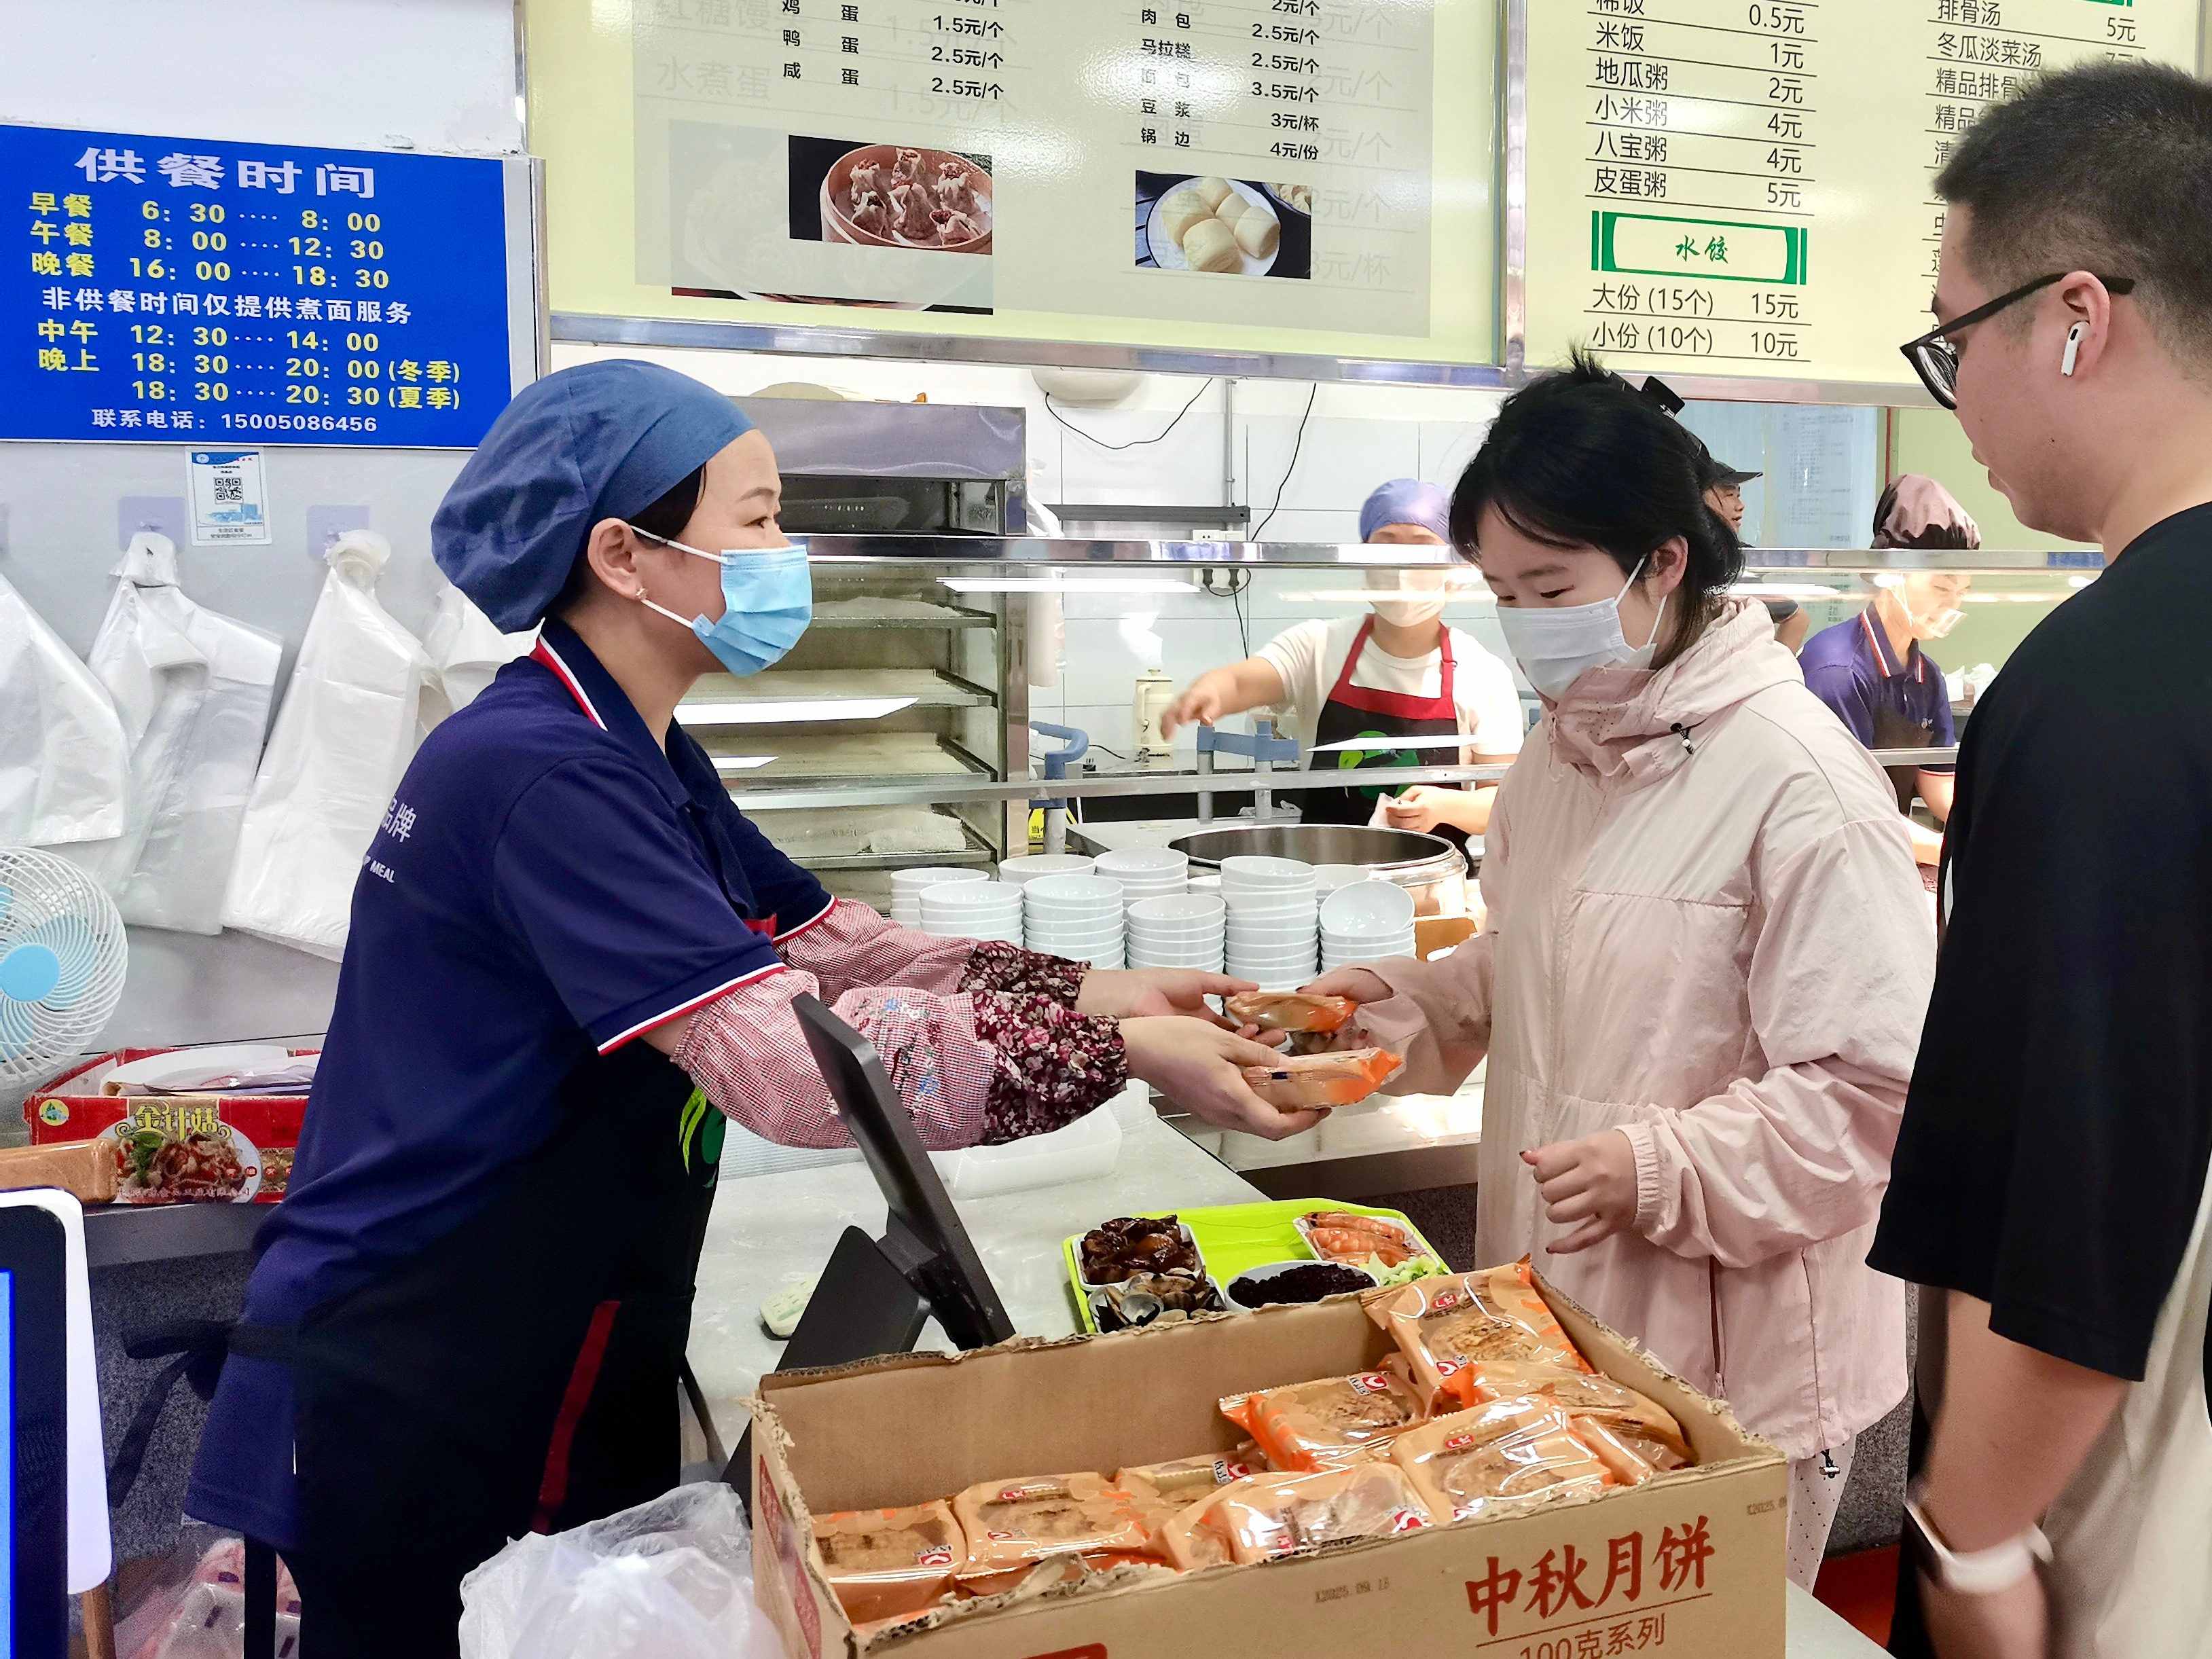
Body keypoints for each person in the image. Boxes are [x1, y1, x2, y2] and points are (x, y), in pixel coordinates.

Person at [181, 361, 1318, 1656]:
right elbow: (784, 1068)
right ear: (623, 553)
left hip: (548, 1306)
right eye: (763, 516)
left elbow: (827, 941)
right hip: (435, 1348)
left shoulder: (636, 745)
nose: (790, 552)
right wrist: (1113, 1051)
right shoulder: (541, 772)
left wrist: (1100, 987)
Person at [1307, 358, 1933, 1589]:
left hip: (1736, 1373)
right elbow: (1536, 958)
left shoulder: (1799, 781)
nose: (1526, 620)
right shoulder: (1563, 755)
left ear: (1664, 563)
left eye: (1552, 587)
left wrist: (1660, 1165)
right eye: (1501, 592)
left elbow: (1872, 1091)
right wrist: (1391, 1011)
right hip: (1553, 1325)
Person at [1869, 62, 2212, 1659]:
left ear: (2073, 319)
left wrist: (1972, 1538)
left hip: (2146, 1517)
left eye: (1953, 338)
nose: (1959, 398)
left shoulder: (2103, 685)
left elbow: (2081, 1176)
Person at [1159, 478, 1523, 839]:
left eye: (1423, 548)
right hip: (1325, 865)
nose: (1402, 567)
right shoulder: (1319, 646)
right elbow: (1241, 683)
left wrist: (1445, 807)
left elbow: (1506, 803)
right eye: (1386, 547)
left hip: (1431, 872)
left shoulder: (1483, 672)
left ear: (1454, 567)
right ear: (1364, 559)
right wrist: (1210, 690)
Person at [1798, 476, 1980, 869]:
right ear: (1891, 574)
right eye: (1942, 588)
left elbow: (1938, 784)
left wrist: (1986, 827)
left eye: (1962, 592)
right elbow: (1852, 807)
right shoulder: (1838, 671)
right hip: (1832, 858)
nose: (1952, 604)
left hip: (1883, 853)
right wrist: (1956, 854)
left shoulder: (1927, 676)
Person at [1697, 442, 1805, 652]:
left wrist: (1772, 668)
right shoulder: (1682, 554)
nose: (1740, 505)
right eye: (1729, 495)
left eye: (1738, 495)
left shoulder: (1738, 561)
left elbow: (1797, 618)